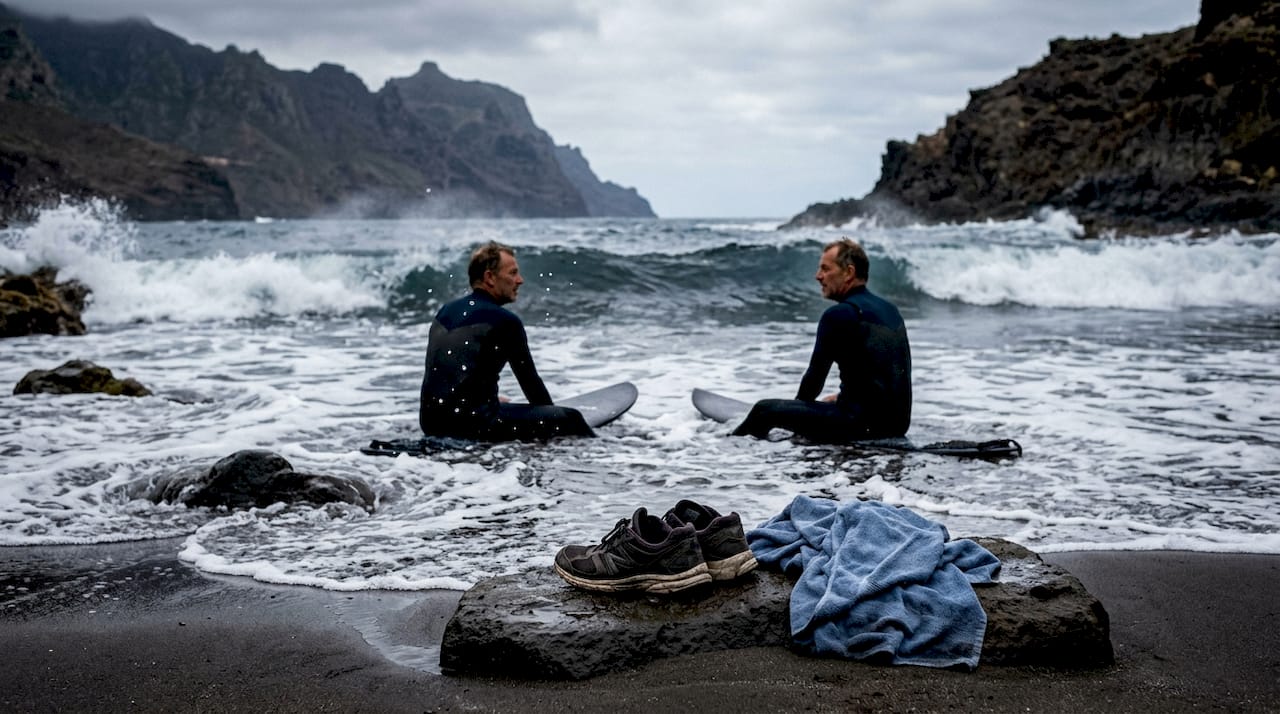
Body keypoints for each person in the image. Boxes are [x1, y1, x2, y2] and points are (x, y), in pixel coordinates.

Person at [733, 237, 911, 442]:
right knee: (836, 402)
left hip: (861, 425)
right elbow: (889, 375)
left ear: (849, 273)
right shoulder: (891, 311)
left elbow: (814, 381)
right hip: (896, 425)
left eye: (826, 269)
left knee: (764, 410)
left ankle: (728, 450)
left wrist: (794, 414)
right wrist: (842, 399)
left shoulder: (839, 314)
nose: (818, 276)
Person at [418, 241, 593, 441]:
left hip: (432, 423)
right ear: (490, 278)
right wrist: (554, 419)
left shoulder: (445, 311)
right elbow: (531, 386)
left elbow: (447, 373)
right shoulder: (505, 321)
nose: (520, 280)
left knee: (491, 405)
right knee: (572, 418)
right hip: (473, 426)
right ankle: (599, 456)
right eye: (512, 273)